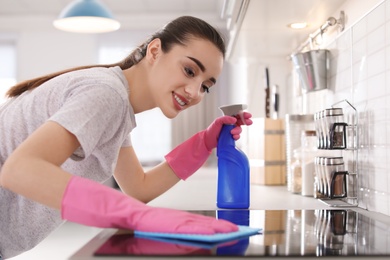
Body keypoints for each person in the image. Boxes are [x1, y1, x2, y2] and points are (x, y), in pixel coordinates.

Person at [0, 16, 252, 259]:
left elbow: (137, 188)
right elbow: (20, 170)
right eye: (189, 70)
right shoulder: (107, 94)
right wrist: (132, 214)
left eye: (206, 86)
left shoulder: (118, 106)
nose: (194, 92)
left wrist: (204, 142)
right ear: (154, 51)